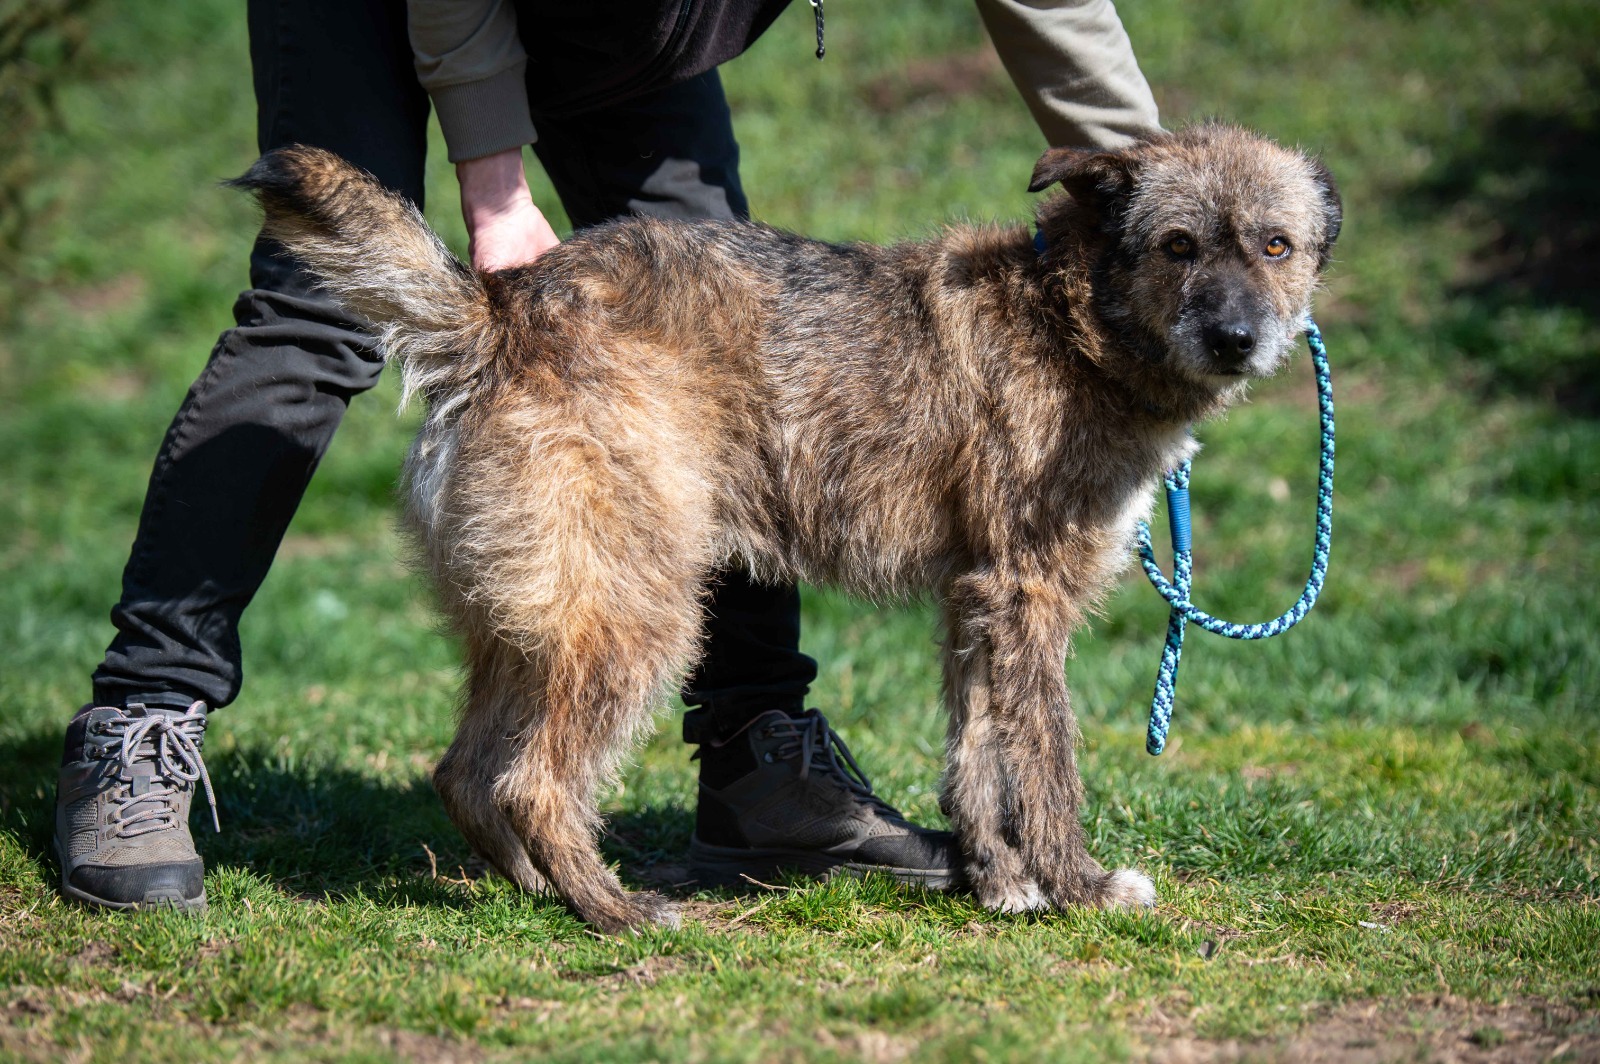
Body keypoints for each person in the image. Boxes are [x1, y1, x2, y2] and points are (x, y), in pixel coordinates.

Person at [54, 0, 1161, 912]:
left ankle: (753, 751)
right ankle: (143, 717)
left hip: (619, 22)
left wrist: (1158, 192)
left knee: (723, 289)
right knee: (311, 321)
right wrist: (493, 186)